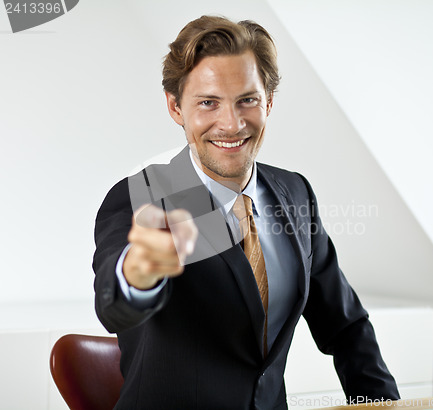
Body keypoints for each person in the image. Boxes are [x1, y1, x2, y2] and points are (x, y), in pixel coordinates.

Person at [93, 15, 400, 410]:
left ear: (269, 101)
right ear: (175, 107)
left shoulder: (295, 193)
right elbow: (114, 306)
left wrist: (381, 404)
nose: (231, 124)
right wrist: (138, 273)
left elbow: (346, 326)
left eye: (247, 100)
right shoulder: (144, 196)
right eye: (208, 102)